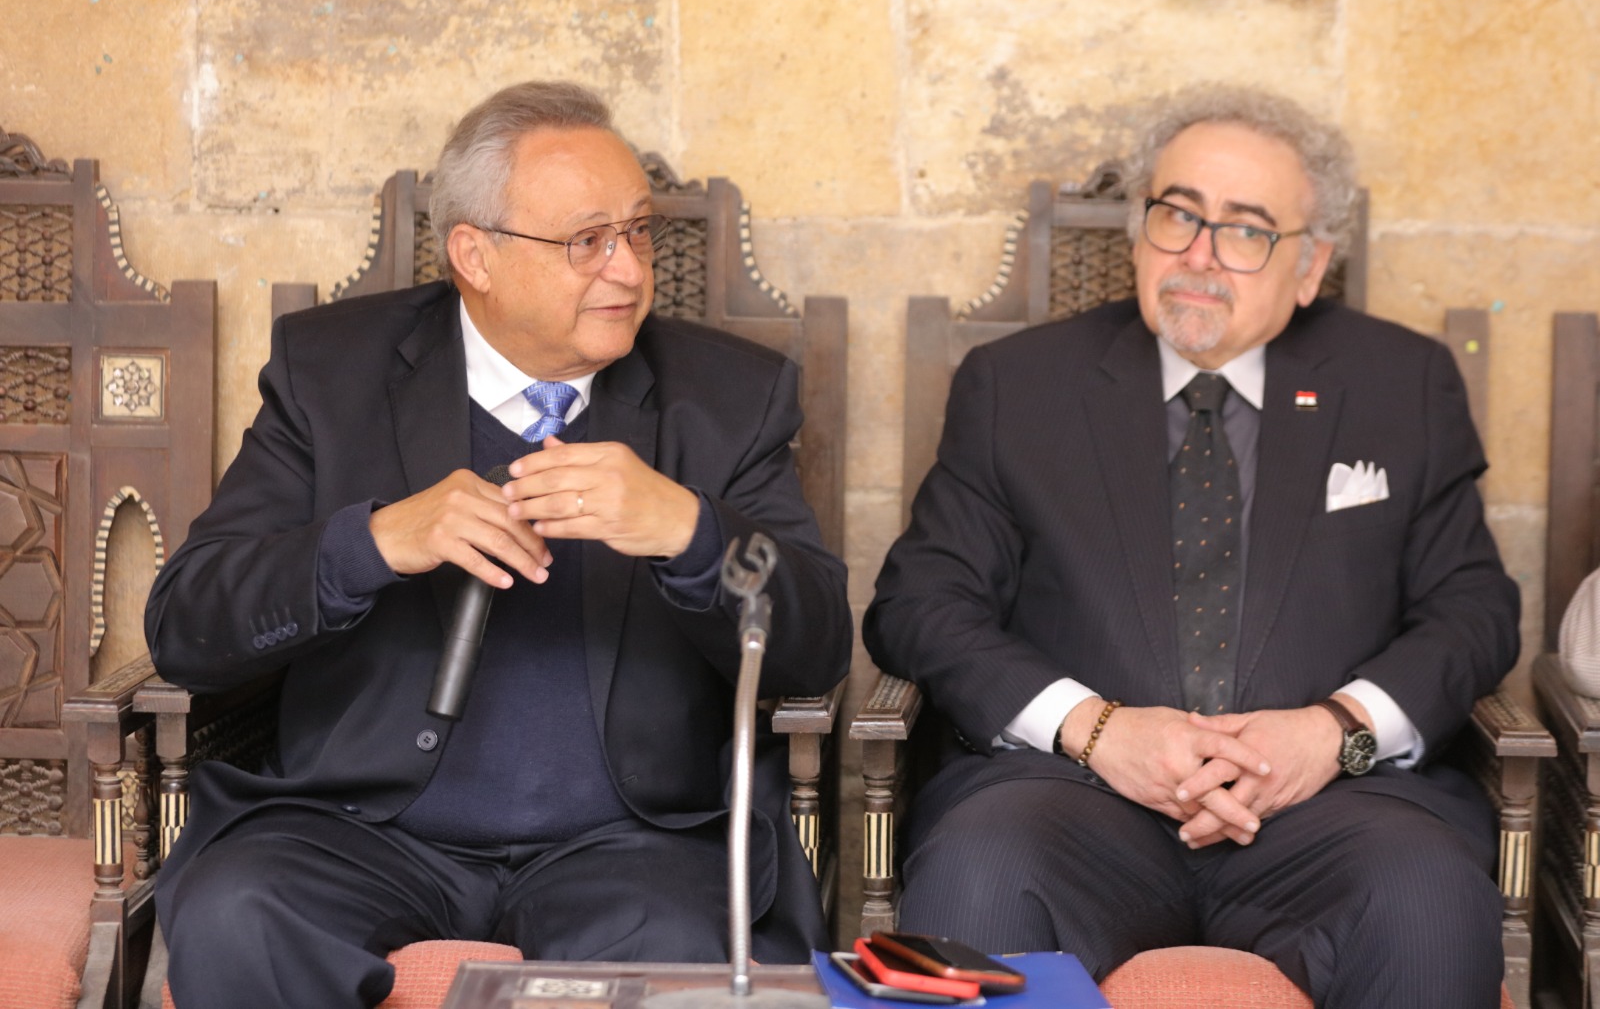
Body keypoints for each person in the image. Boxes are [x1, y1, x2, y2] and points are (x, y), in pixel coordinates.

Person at [145, 80, 851, 1008]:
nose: (629, 271)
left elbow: (816, 644)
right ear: (473, 254)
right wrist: (372, 543)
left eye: (638, 232)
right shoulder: (330, 373)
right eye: (587, 240)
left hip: (631, 844)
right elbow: (187, 624)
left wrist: (689, 532)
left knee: (675, 950)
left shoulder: (728, 397)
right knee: (238, 914)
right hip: (359, 828)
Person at [865, 84, 1519, 1008]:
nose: (1200, 256)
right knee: (978, 868)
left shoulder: (1400, 383)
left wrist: (1334, 734)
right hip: (1073, 801)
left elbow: (1474, 612)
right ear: (1138, 233)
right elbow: (919, 606)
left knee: (1426, 898)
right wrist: (1100, 732)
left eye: (1247, 229)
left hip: (1335, 811)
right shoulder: (1019, 386)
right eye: (1178, 214)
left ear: (1309, 266)